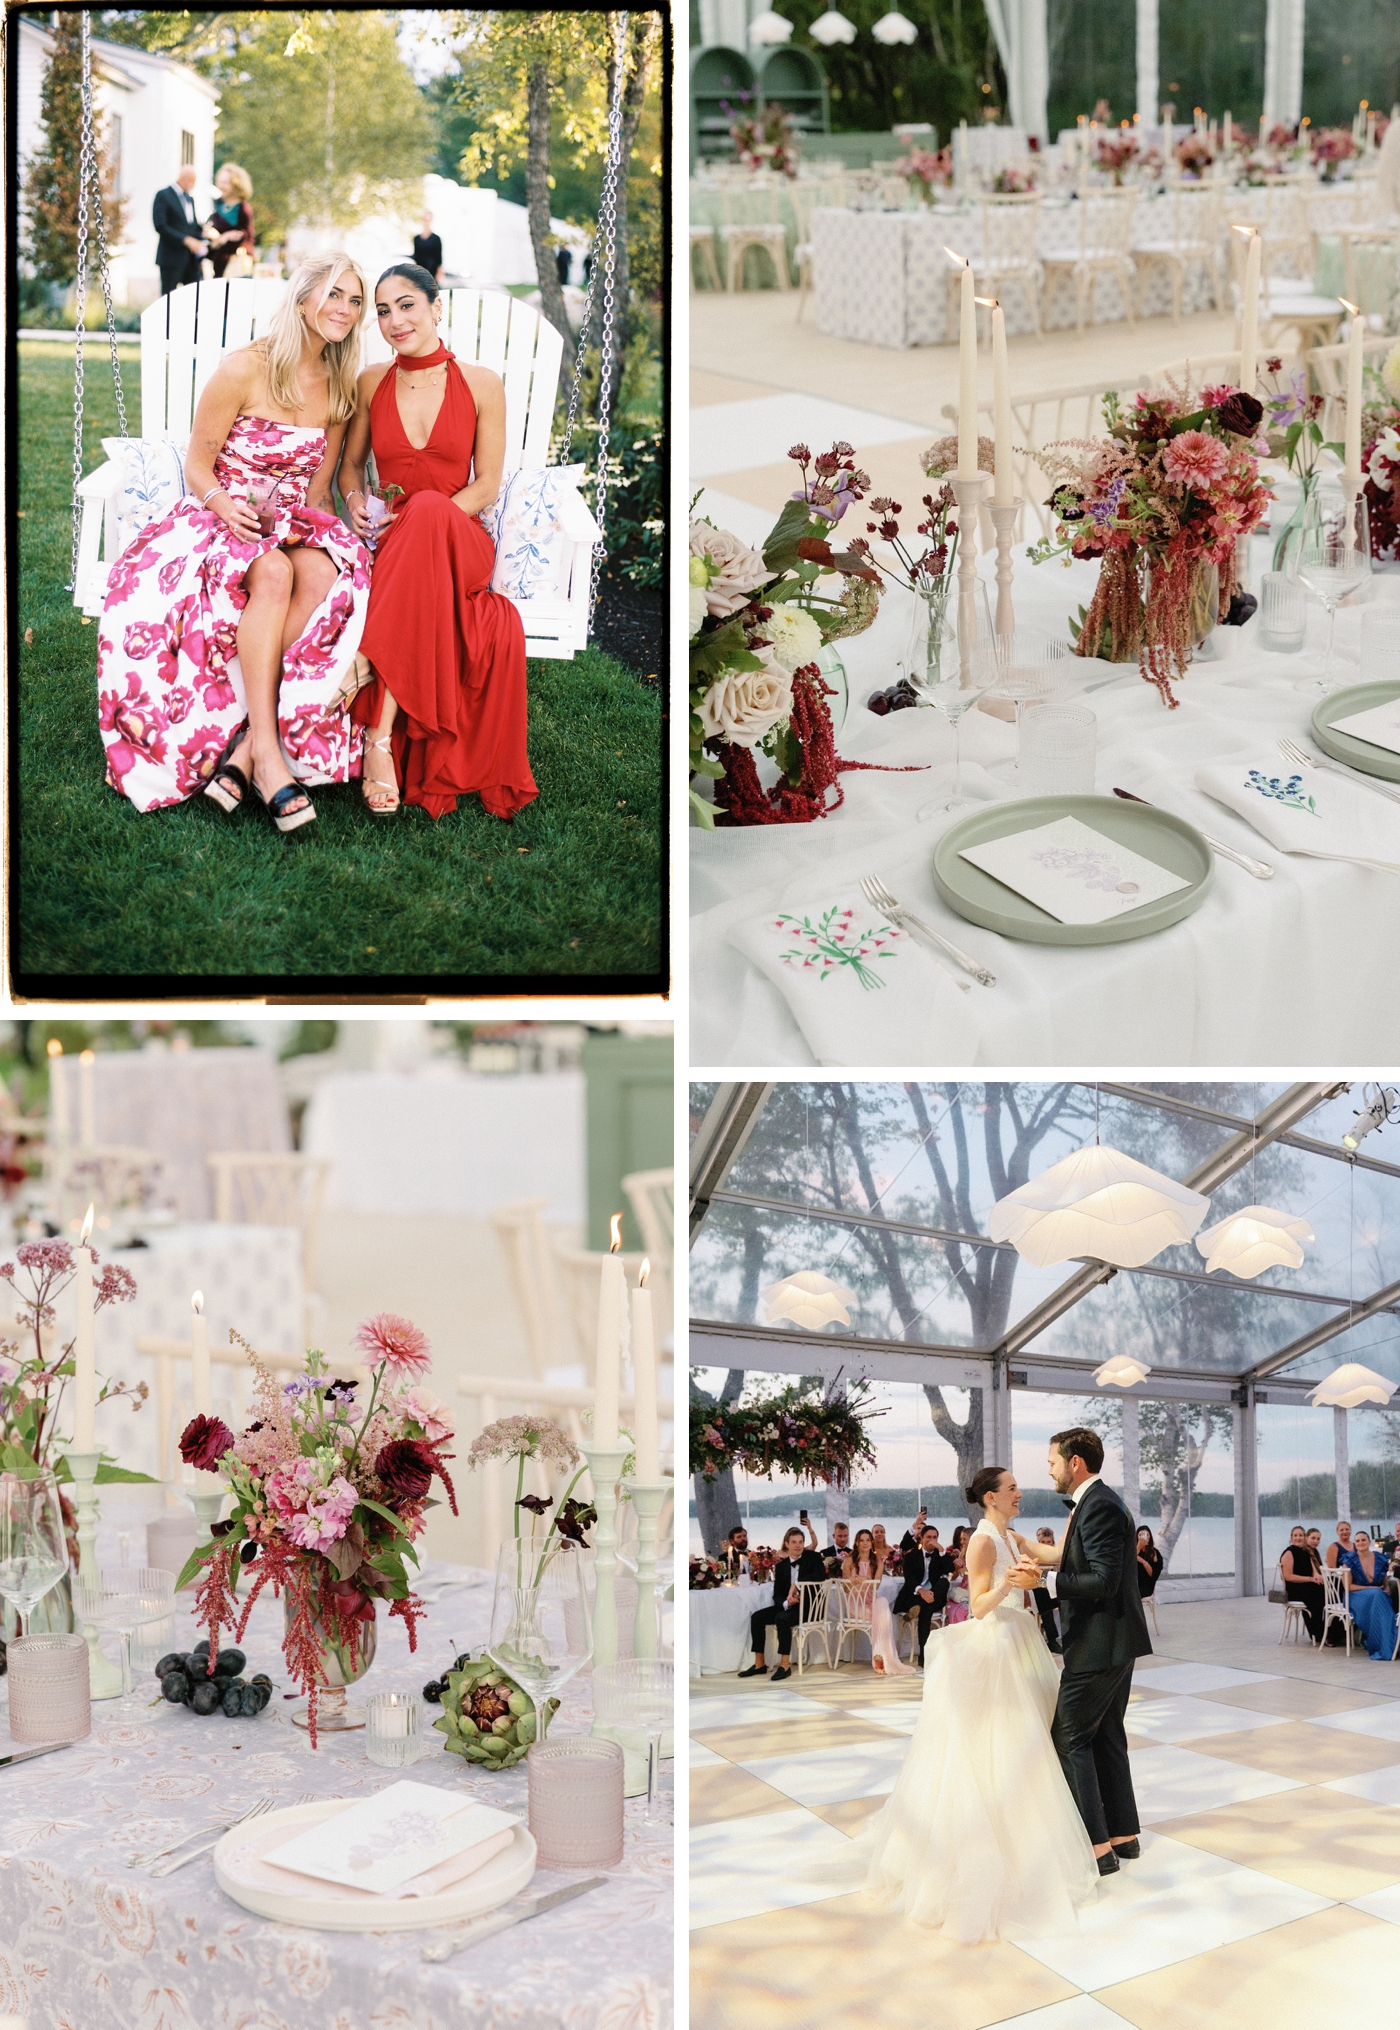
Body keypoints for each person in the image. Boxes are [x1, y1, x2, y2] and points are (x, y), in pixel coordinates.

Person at [97, 252, 372, 823]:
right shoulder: (243, 368)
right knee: (273, 572)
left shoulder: (339, 385)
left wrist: (340, 531)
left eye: (354, 299)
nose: (344, 309)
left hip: (291, 520)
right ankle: (269, 757)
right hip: (222, 515)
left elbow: (318, 492)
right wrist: (226, 507)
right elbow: (198, 465)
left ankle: (243, 756)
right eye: (335, 294)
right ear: (303, 299)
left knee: (323, 574)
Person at [860, 1465, 1098, 1941]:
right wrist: (1012, 1584)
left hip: (1022, 1638)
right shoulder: (984, 1541)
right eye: (1012, 1489)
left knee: (1037, 1737)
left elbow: (1054, 1552)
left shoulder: (1011, 1534)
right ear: (992, 1497)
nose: (1020, 1493)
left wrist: (1079, 1516)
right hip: (999, 1642)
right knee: (1007, 1743)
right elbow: (978, 1605)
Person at [338, 263, 537, 820]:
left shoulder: (480, 383)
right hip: (393, 545)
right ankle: (379, 730)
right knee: (417, 516)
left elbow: (487, 485)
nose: (395, 320)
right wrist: (356, 505)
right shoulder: (371, 381)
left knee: (426, 508)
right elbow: (351, 469)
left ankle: (375, 711)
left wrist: (425, 520)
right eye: (382, 311)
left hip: (459, 542)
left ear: (435, 307)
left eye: (407, 305)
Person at [1028, 1427, 1153, 1878]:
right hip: (1117, 1642)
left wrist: (1041, 1582)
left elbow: (1101, 1581)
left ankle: (1096, 1848)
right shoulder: (1101, 1502)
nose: (1049, 1469)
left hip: (1101, 1644)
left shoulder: (1098, 1505)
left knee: (1069, 1738)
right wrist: (1035, 1556)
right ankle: (1124, 1836)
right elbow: (1080, 1561)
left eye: (1053, 1462)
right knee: (1105, 1735)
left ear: (1075, 1462)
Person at [739, 1526, 826, 1682]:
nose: (798, 1545)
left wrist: (797, 1585)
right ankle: (759, 1664)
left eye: (800, 1542)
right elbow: (777, 1594)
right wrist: (787, 1602)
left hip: (809, 1608)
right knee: (757, 1617)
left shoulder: (813, 1558)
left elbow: (819, 1576)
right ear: (787, 1544)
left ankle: (784, 1666)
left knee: (782, 1619)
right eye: (794, 1542)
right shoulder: (781, 1566)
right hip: (788, 1606)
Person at [893, 1523, 949, 1664]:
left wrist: (941, 1550)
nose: (932, 1540)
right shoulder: (912, 1556)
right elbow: (909, 1579)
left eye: (935, 1537)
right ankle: (924, 1656)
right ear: (922, 1538)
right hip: (915, 1595)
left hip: (933, 1596)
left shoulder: (939, 1554)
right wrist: (923, 1592)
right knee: (926, 1609)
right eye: (928, 1537)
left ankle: (924, 1656)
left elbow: (950, 1568)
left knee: (944, 1583)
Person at [1338, 1530, 1397, 1660]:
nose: (1361, 1543)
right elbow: (1348, 1586)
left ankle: (1391, 1643)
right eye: (1358, 1541)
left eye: (1363, 1540)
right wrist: (1369, 1588)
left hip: (1377, 1596)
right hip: (1355, 1596)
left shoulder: (1380, 1558)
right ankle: (1384, 1647)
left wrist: (1386, 1588)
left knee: (1382, 1596)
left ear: (1369, 1541)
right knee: (1377, 1593)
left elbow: (1384, 1581)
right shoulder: (1349, 1560)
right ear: (1355, 1543)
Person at [153, 163, 207, 295]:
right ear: (185, 179)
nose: (194, 185)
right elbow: (161, 226)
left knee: (194, 296)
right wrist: (185, 240)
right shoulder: (164, 195)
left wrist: (202, 234)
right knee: (168, 298)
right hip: (171, 258)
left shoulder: (190, 199)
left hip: (190, 259)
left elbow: (190, 225)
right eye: (193, 181)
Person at [205, 162, 255, 278]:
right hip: (219, 264)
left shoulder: (243, 208)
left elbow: (242, 236)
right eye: (220, 182)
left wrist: (220, 238)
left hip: (237, 267)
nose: (221, 186)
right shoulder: (219, 206)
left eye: (226, 183)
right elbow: (214, 240)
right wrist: (220, 237)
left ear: (236, 185)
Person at [1280, 1523, 1325, 1645]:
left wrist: (1317, 1577)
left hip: (1306, 1586)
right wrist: (1310, 1579)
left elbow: (1314, 1572)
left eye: (1301, 1535)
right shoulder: (1289, 1553)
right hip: (1294, 1589)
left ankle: (1325, 1631)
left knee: (1326, 1590)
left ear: (1304, 1537)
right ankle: (1317, 1633)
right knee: (1317, 1594)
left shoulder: (1306, 1552)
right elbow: (1288, 1576)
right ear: (1291, 1537)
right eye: (1295, 1535)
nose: (1298, 1538)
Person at [1032, 1524, 1062, 1653]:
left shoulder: (1058, 1555)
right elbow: (1036, 1580)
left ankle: (1057, 1639)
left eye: (1048, 1542)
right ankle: (1052, 1640)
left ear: (1053, 1542)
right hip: (1042, 1588)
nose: (1045, 1544)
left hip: (1058, 1586)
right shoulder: (1034, 1557)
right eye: (1042, 1542)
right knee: (1043, 1596)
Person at [413, 211, 444, 283]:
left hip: (432, 273)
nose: (426, 223)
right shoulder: (416, 239)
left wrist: (439, 273)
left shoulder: (436, 239)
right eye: (425, 220)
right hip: (420, 272)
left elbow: (439, 258)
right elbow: (416, 256)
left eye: (428, 220)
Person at [1135, 1526, 1164, 1599]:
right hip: (1131, 1584)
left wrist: (1144, 1562)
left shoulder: (1154, 1553)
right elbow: (1127, 1565)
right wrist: (1138, 1547)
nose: (1145, 1537)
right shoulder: (1132, 1551)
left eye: (1147, 1535)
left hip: (1145, 1586)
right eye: (1141, 1534)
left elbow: (1153, 1574)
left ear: (1150, 1536)